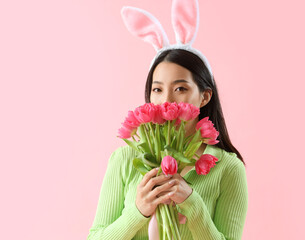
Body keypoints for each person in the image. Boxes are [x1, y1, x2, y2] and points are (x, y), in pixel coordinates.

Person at [86, 48, 248, 240]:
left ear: (205, 96)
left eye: (180, 89)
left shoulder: (228, 168)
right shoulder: (124, 159)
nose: (167, 100)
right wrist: (138, 212)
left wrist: (192, 204)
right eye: (157, 89)